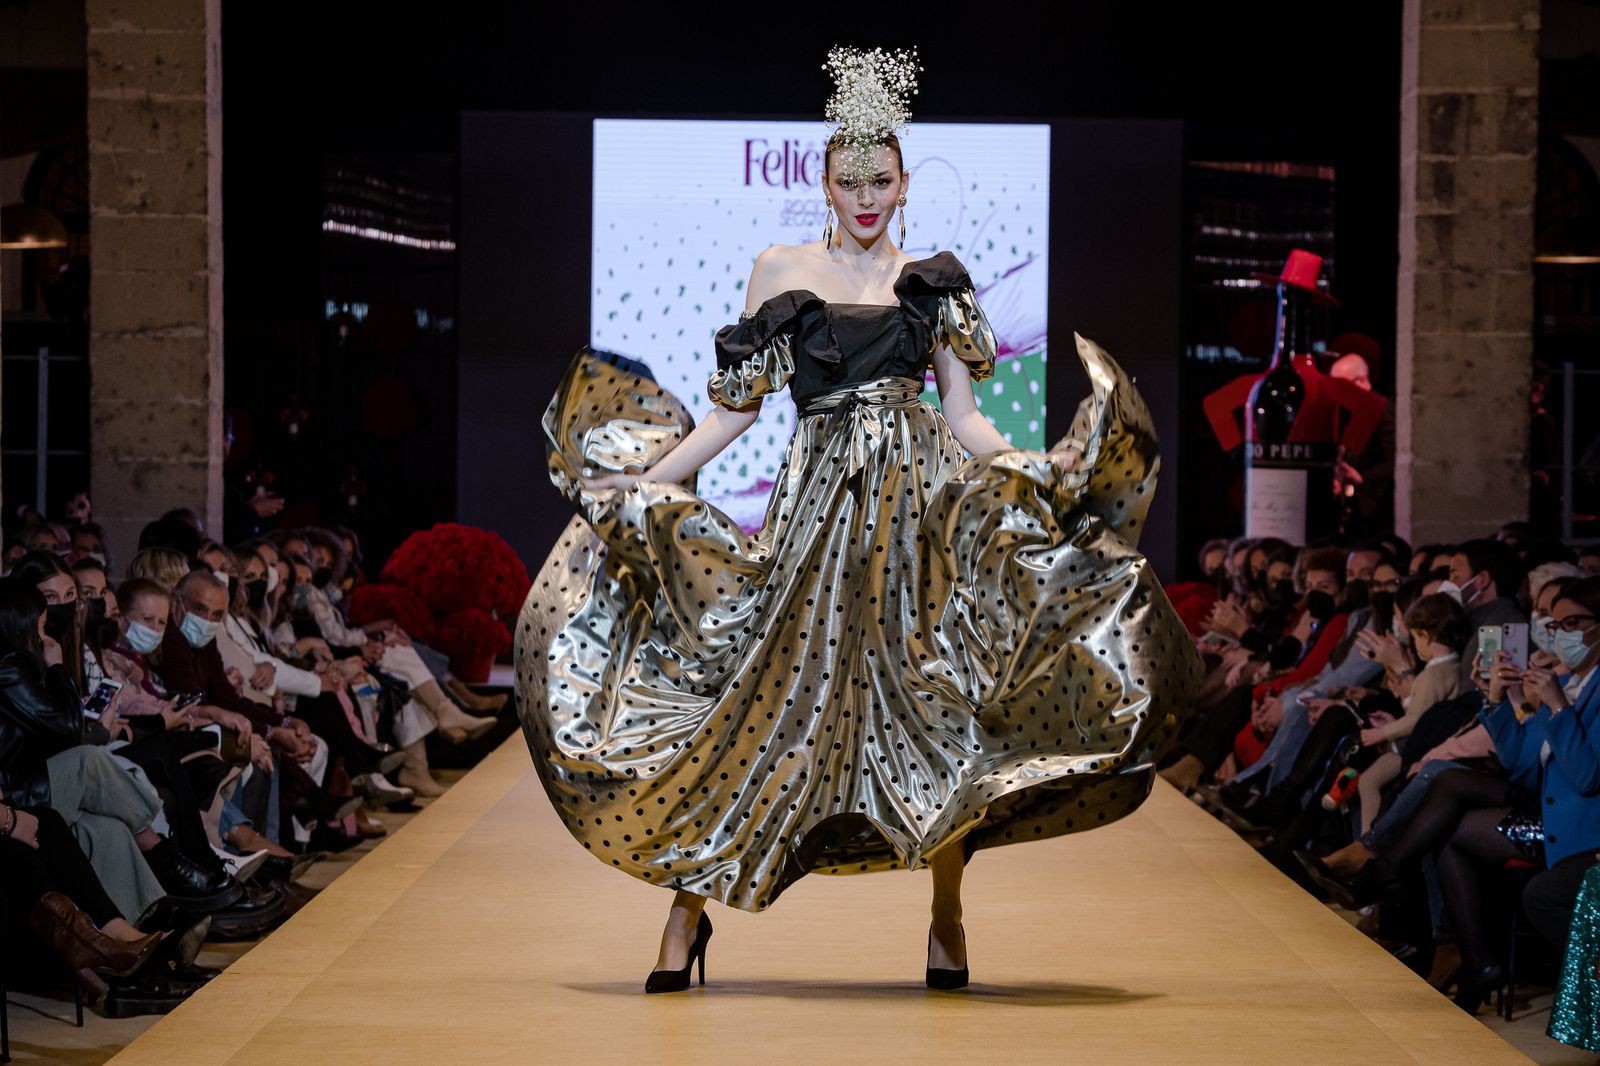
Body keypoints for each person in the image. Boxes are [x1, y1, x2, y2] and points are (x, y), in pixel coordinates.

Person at [514, 45, 1201, 994]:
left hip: (917, 519)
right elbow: (732, 413)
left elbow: (962, 416)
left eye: (881, 180)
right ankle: (685, 917)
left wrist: (1030, 466)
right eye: (850, 181)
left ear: (903, 183)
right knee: (761, 706)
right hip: (817, 523)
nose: (866, 196)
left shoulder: (936, 281)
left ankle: (947, 914)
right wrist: (641, 484)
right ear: (825, 184)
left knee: (939, 705)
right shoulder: (781, 269)